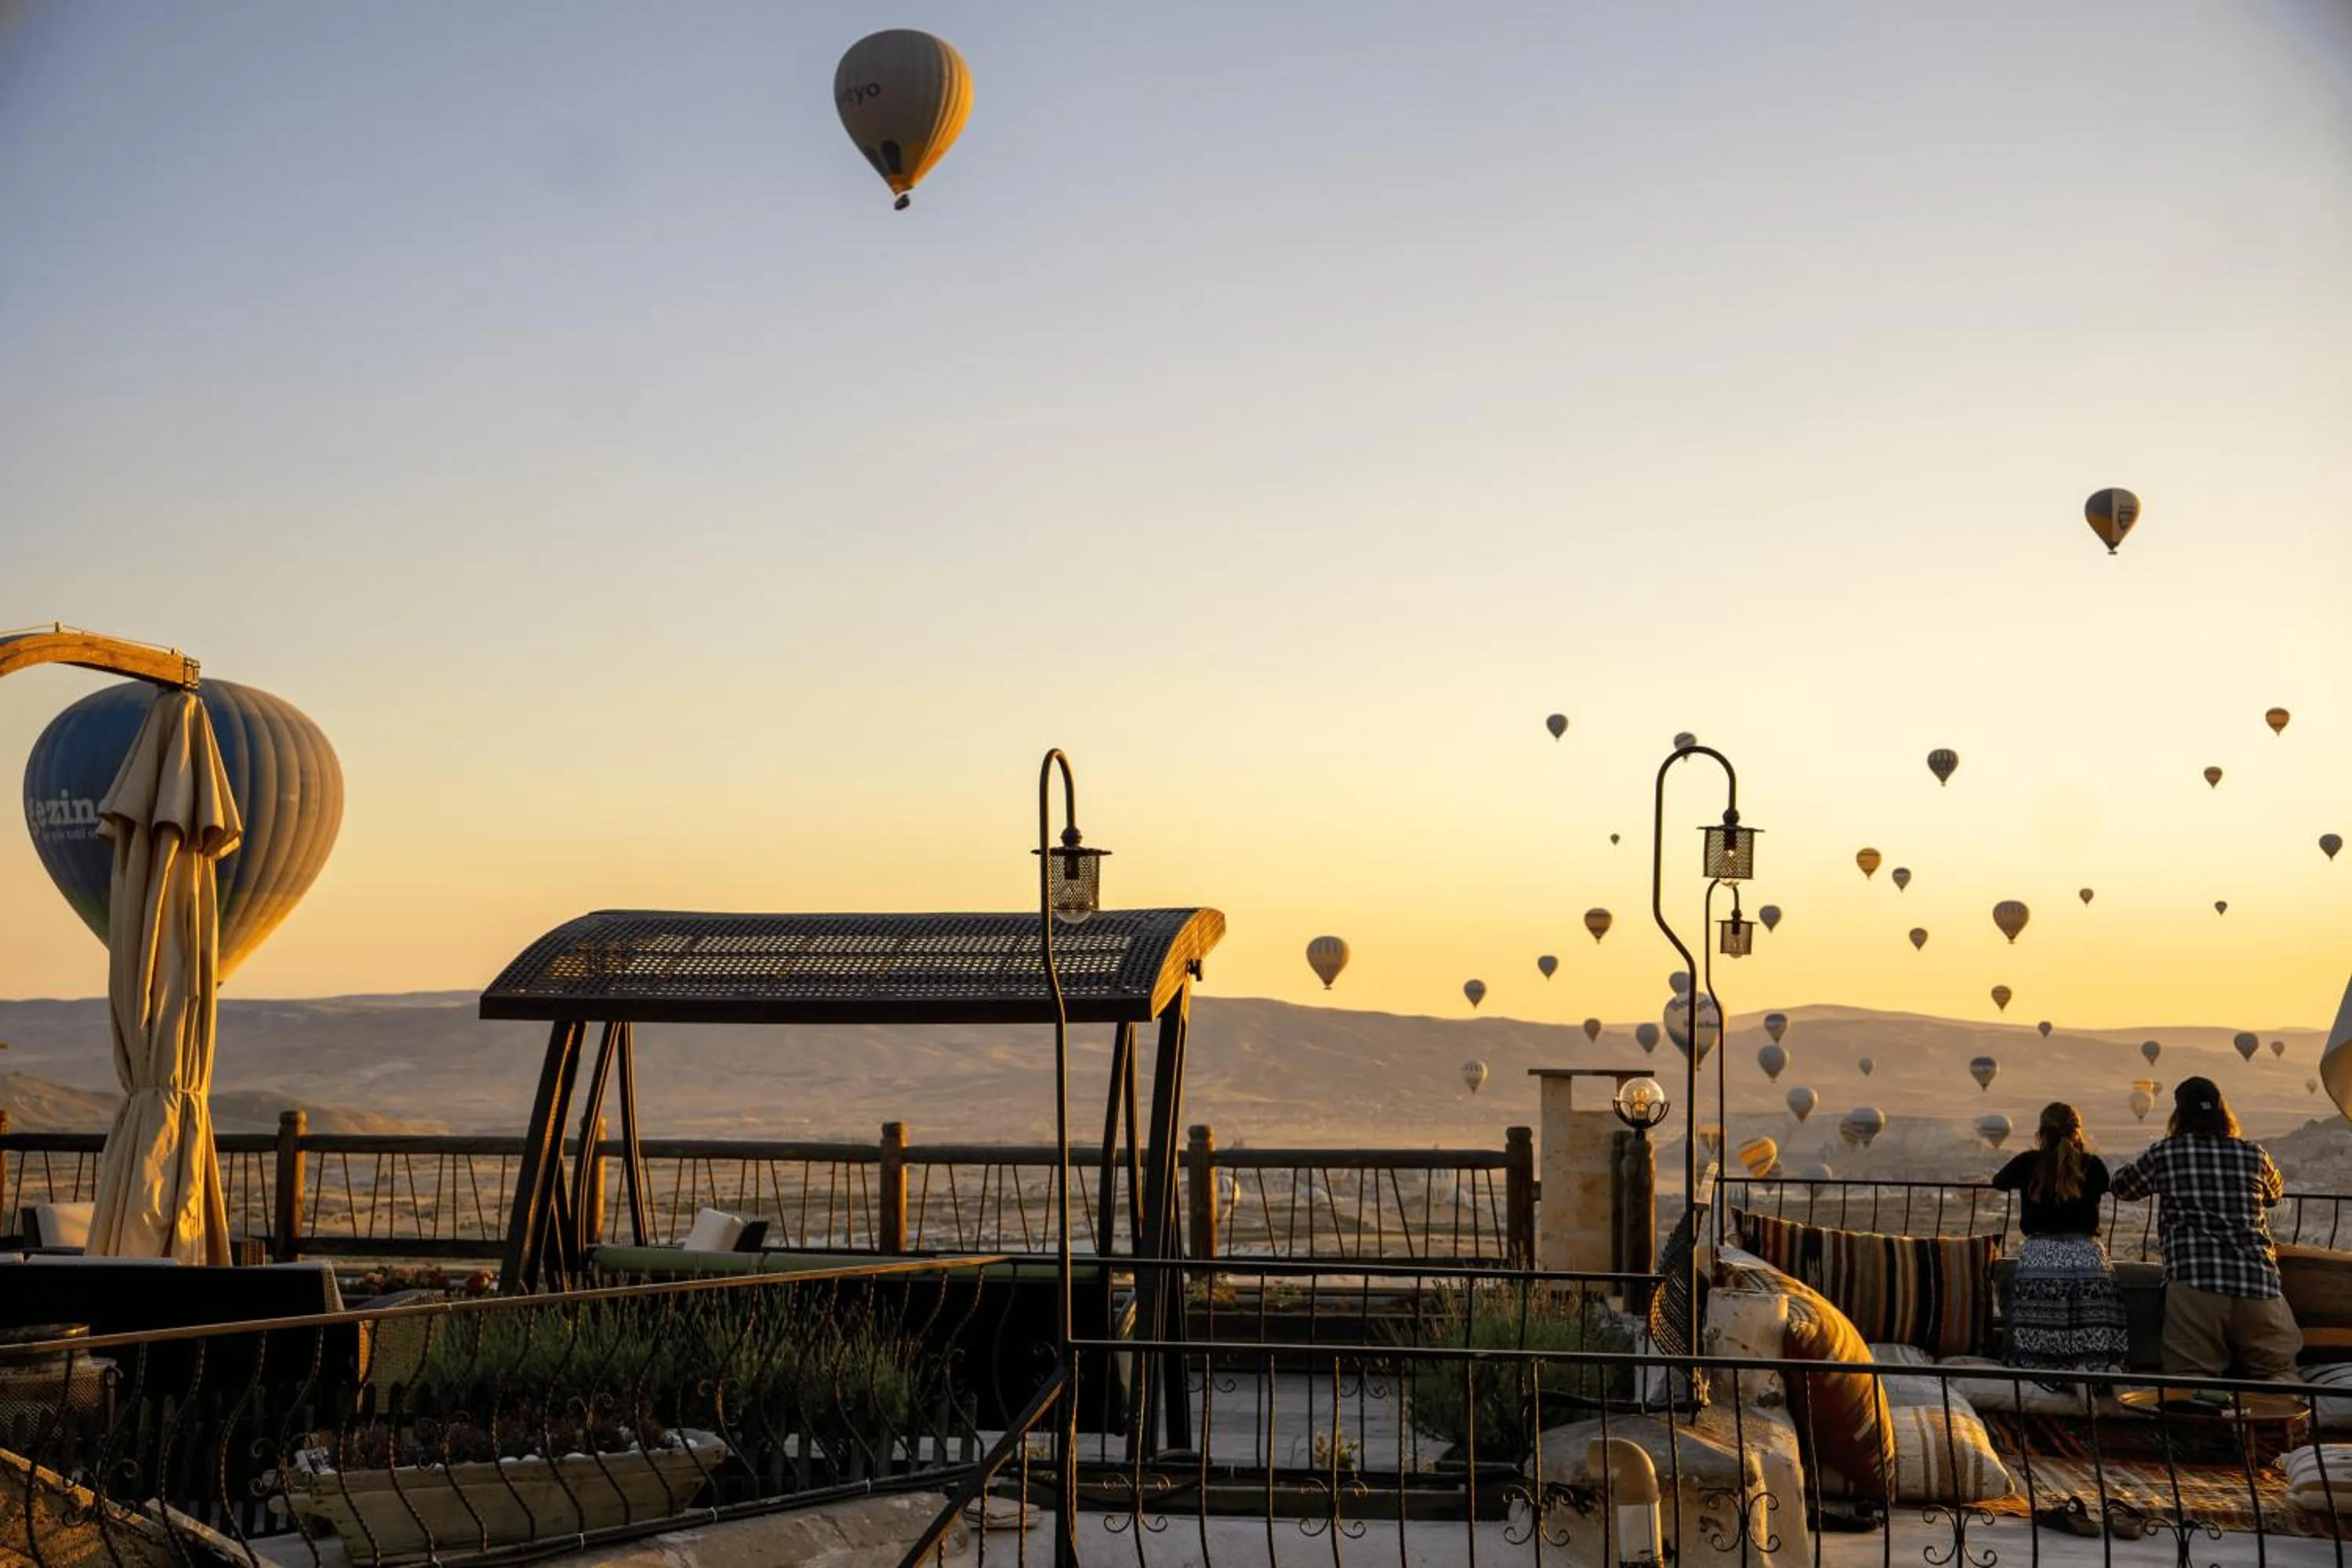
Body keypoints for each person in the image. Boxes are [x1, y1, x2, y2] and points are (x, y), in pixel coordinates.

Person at [2108, 1076, 2300, 1380]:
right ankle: (2281, 1425)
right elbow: (2274, 1194)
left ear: (2179, 1115)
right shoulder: (2254, 1154)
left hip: (2196, 1283)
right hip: (2257, 1283)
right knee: (2278, 1377)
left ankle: (2204, 1427)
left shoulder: (2166, 1154)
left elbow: (2122, 1187)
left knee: (2192, 1382)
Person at [1990, 1102, 2129, 1374]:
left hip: (2042, 1259)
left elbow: (1999, 1181)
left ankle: (2045, 1371)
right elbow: (2106, 1185)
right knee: (2089, 1330)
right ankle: (2091, 1371)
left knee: (2041, 1331)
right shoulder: (2092, 1164)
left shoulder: (2029, 1162)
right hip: (2089, 1259)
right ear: (2078, 1130)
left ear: (2042, 1132)